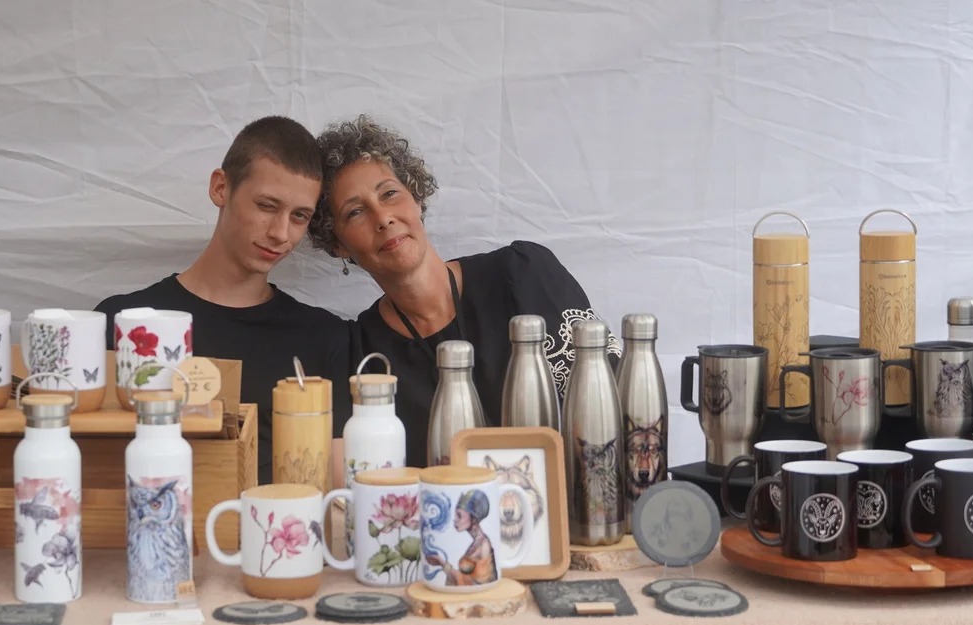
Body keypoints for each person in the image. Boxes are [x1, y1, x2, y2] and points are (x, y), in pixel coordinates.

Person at [306, 114, 621, 467]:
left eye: (390, 194)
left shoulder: (523, 275)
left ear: (415, 198)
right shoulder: (362, 355)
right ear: (337, 244)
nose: (383, 218)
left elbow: (611, 404)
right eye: (355, 212)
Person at [96, 116, 352, 486]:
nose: (280, 233)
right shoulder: (121, 323)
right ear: (220, 188)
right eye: (267, 205)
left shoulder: (325, 337)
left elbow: (342, 491)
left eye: (299, 216)